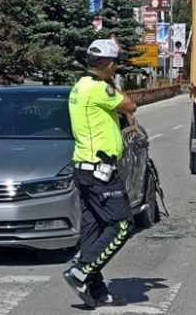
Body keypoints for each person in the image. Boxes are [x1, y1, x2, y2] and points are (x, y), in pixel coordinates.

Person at [64, 39, 138, 308]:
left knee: (93, 230)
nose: (116, 67)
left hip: (84, 169)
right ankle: (81, 271)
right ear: (109, 65)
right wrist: (113, 83)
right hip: (100, 171)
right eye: (115, 63)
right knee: (121, 226)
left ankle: (97, 290)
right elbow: (130, 106)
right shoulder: (98, 89)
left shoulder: (80, 86)